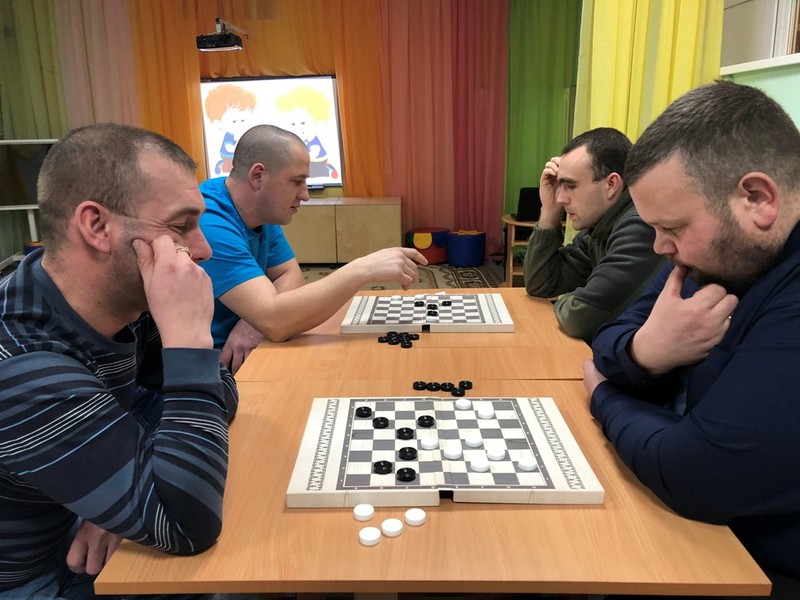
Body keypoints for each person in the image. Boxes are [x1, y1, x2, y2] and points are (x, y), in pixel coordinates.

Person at [0, 123, 238, 599]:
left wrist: (120, 484)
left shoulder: (119, 304)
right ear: (97, 226)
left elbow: (222, 395)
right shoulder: (23, 365)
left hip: (69, 524)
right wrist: (190, 339)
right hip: (32, 576)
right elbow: (186, 522)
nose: (203, 250)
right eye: (180, 226)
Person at [584, 81, 800, 599]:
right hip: (704, 533)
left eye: (673, 228)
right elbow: (609, 338)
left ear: (757, 199)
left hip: (759, 568)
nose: (660, 248)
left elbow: (699, 474)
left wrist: (603, 395)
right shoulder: (713, 252)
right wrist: (645, 353)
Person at [199, 124, 427, 373]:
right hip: (215, 368)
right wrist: (363, 269)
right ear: (258, 176)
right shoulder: (209, 223)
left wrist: (254, 321)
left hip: (256, 346)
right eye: (297, 181)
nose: (305, 195)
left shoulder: (259, 210)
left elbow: (290, 275)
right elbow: (276, 322)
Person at [523, 127, 664, 343]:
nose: (560, 198)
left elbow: (578, 318)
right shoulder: (600, 226)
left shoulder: (640, 224)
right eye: (560, 186)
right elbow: (541, 284)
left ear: (611, 184)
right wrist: (550, 212)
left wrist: (568, 301)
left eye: (570, 186)